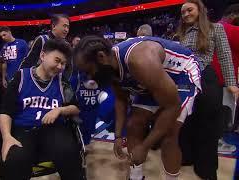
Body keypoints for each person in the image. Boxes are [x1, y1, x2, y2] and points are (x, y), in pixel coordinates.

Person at [73, 35, 201, 180]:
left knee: (169, 135)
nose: (89, 77)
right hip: (154, 78)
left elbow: (172, 107)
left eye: (88, 70)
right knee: (133, 125)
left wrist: (145, 146)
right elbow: (121, 99)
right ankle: (135, 176)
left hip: (181, 74)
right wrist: (118, 136)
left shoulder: (140, 60)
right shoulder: (110, 65)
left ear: (101, 56)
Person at [0, 39, 85, 180]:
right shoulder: (21, 77)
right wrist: (7, 137)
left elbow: (76, 108)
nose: (60, 67)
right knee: (14, 159)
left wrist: (59, 110)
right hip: (23, 130)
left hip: (53, 129)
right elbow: (5, 111)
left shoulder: (62, 81)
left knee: (69, 153)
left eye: (63, 63)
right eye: (57, 60)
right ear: (43, 55)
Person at [176, 1, 239, 179]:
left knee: (208, 125)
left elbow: (226, 55)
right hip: (184, 82)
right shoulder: (179, 33)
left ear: (200, 10)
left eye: (190, 10)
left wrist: (231, 83)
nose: (186, 14)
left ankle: (205, 168)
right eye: (183, 12)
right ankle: (186, 157)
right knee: (186, 122)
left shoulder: (215, 28)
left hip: (206, 78)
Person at [211, 3, 239, 154]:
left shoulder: (211, 27)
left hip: (206, 78)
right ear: (234, 15)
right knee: (222, 112)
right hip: (223, 80)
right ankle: (217, 143)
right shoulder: (232, 30)